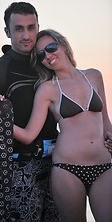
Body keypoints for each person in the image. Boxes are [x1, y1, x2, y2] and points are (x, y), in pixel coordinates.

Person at [0, 2, 60, 222]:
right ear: (8, 32)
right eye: (19, 29)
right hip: (19, 169)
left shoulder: (48, 62)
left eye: (31, 27)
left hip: (57, 164)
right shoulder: (0, 70)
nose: (26, 35)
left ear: (38, 27)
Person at [13, 29, 112, 222]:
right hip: (67, 170)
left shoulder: (94, 76)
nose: (48, 56)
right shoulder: (47, 89)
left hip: (104, 166)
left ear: (63, 45)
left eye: (51, 48)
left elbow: (106, 123)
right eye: (41, 54)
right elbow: (28, 135)